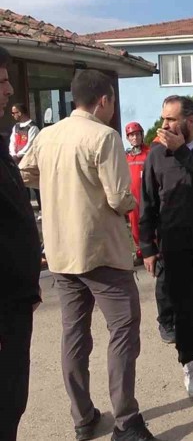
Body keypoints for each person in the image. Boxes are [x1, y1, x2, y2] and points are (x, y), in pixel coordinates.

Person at [19, 69, 156, 440]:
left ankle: (83, 417)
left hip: (61, 253)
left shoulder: (49, 135)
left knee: (74, 335)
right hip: (101, 252)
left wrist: (56, 181)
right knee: (123, 330)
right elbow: (118, 198)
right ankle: (126, 421)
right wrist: (133, 203)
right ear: (104, 100)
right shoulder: (104, 136)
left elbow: (24, 171)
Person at [140, 95, 193, 400]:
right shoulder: (156, 154)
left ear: (189, 121)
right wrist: (147, 246)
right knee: (183, 308)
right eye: (163, 118)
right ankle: (188, 364)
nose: (164, 125)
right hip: (174, 243)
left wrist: (183, 153)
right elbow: (147, 201)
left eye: (171, 119)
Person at [0, 46, 42, 441]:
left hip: (15, 301)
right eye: (1, 81)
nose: (9, 90)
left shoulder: (2, 144)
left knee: (12, 400)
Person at [10, 102, 42, 219]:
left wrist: (19, 154)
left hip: (29, 160)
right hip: (17, 161)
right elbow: (12, 142)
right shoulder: (16, 127)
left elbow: (30, 144)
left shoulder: (33, 127)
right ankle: (27, 211)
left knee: (35, 186)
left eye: (14, 112)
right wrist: (13, 154)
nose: (13, 115)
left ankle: (41, 209)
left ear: (20, 113)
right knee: (23, 186)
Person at [125, 122, 149, 266]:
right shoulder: (127, 157)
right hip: (133, 198)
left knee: (150, 223)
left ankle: (155, 250)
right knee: (134, 225)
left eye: (137, 134)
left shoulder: (149, 153)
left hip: (147, 196)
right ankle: (140, 252)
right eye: (132, 135)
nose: (135, 138)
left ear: (142, 135)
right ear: (128, 138)